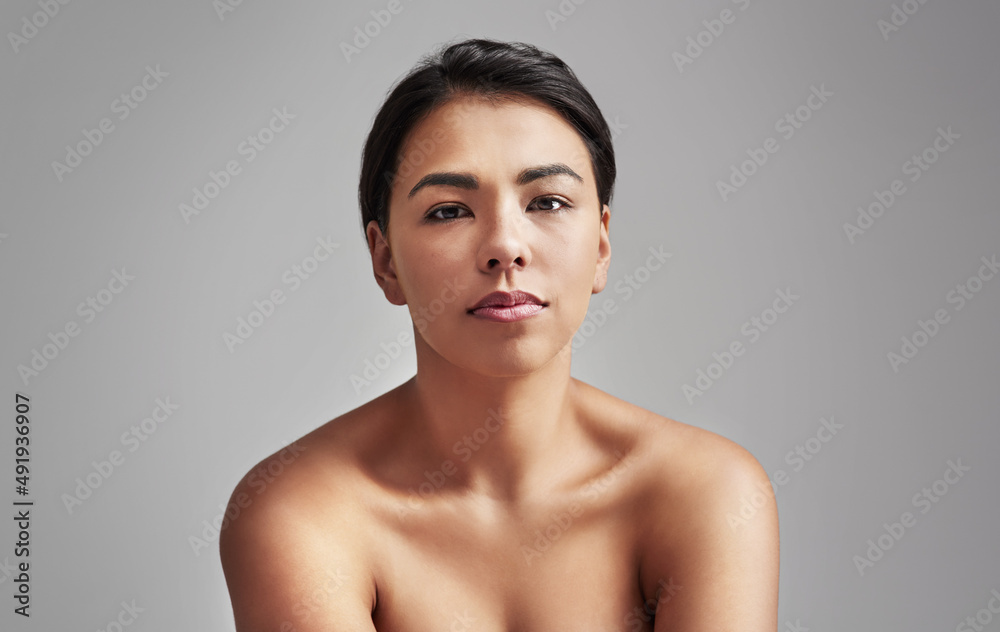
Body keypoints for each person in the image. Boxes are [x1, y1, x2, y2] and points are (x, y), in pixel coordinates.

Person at [220, 37, 779, 631]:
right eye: (449, 210)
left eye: (548, 201)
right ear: (385, 261)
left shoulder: (707, 494)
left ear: (601, 247)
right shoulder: (299, 512)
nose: (505, 247)